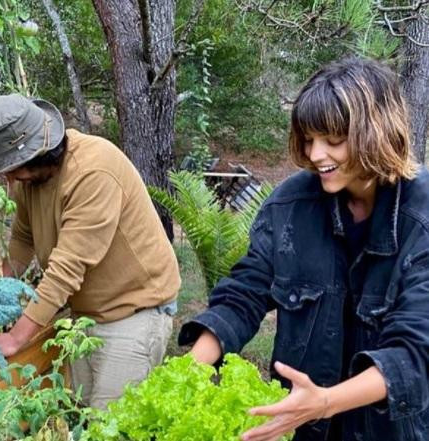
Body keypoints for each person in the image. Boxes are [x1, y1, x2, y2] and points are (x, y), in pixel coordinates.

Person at [179, 57, 429, 441]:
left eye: (333, 140)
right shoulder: (290, 205)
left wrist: (326, 401)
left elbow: (416, 351)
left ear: (376, 132)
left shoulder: (422, 217)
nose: (315, 155)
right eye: (309, 139)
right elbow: (245, 292)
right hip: (303, 428)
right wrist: (187, 373)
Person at [0, 93, 181, 409]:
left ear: (41, 151)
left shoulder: (93, 171)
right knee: (81, 415)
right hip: (86, 314)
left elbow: (65, 270)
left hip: (135, 310)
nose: (9, 178)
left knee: (110, 426)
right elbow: (22, 240)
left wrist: (16, 337)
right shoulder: (31, 180)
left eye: (13, 168)